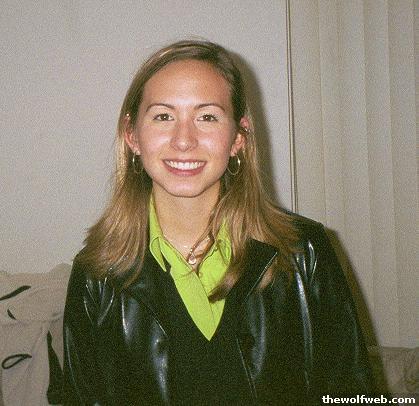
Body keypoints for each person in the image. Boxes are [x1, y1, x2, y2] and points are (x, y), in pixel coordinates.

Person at [62, 40, 374, 405]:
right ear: (132, 136)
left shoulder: (304, 253)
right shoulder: (96, 274)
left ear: (238, 138)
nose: (184, 140)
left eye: (207, 117)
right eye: (163, 116)